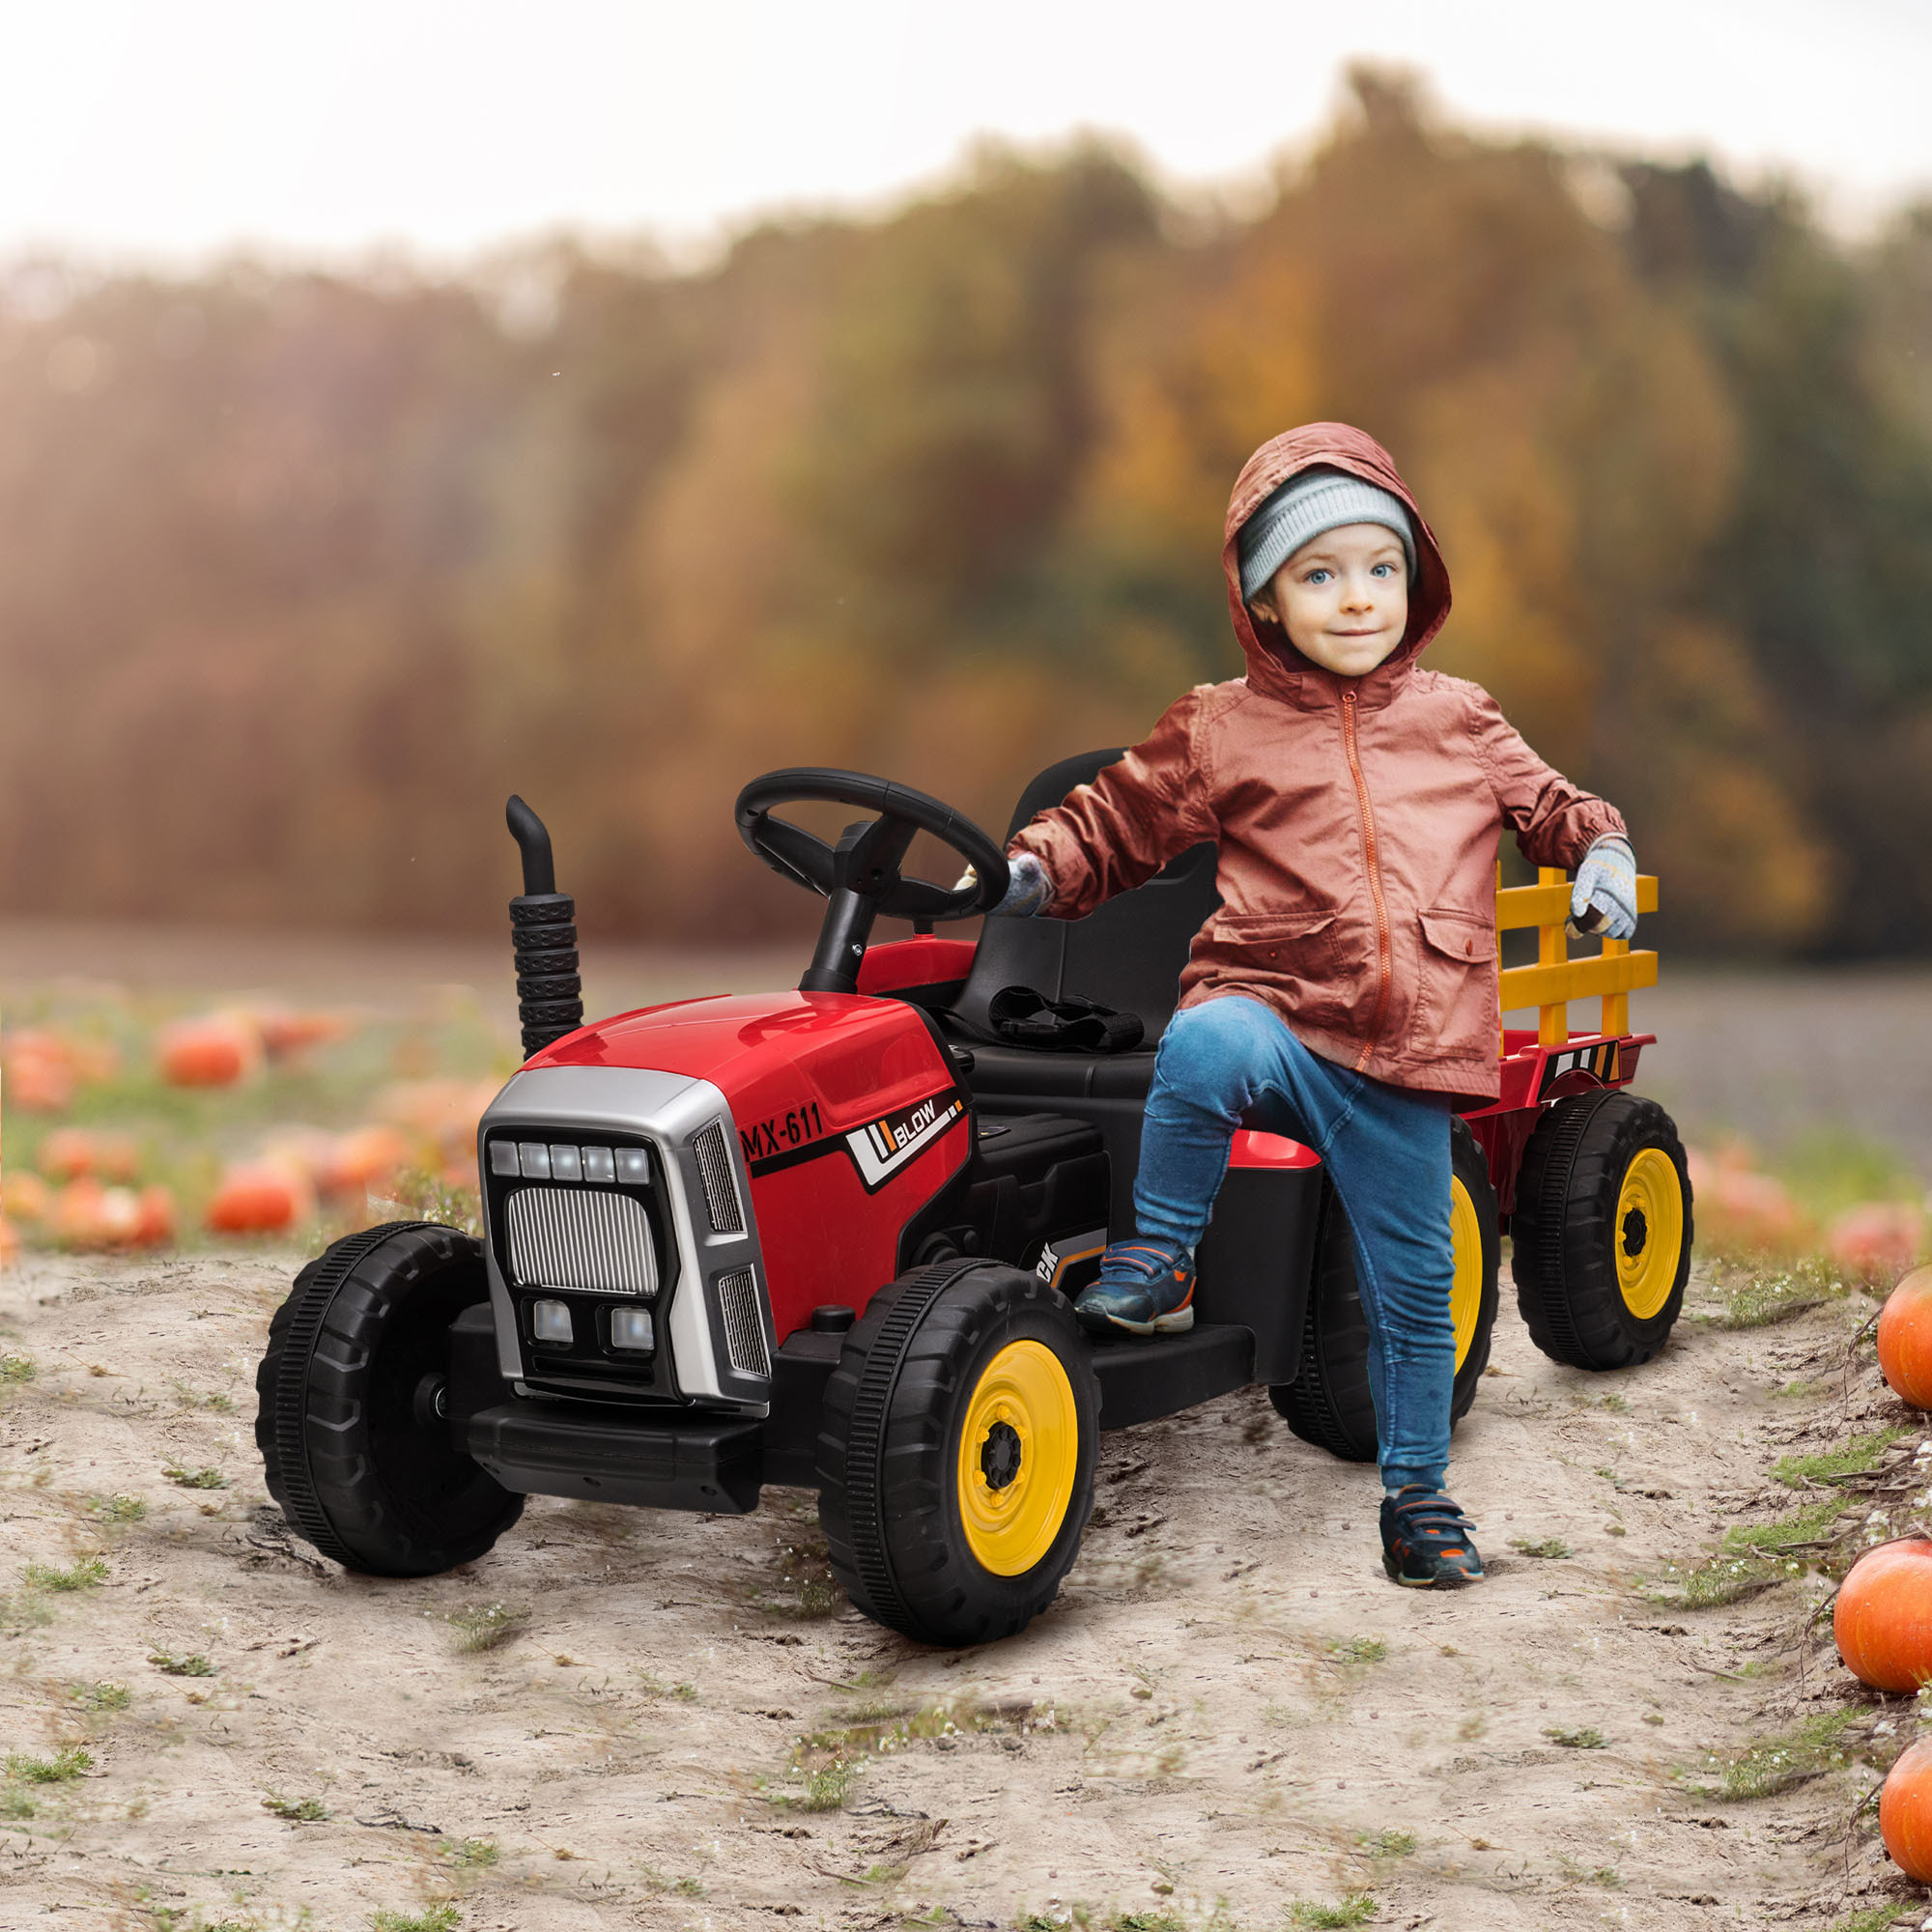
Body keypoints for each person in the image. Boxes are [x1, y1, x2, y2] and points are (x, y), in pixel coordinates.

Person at [987, 423, 1637, 1587]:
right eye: (1318, 575)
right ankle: (1161, 1259)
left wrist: (1596, 849)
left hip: (1410, 1055)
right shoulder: (1219, 724)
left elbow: (1554, 804)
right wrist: (1036, 864)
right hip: (1280, 1011)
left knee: (1414, 1293)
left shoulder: (1459, 716)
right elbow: (1116, 819)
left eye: (1378, 569)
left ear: (1413, 579)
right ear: (1264, 600)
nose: (1355, 599)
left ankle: (1417, 1497)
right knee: (1202, 1039)